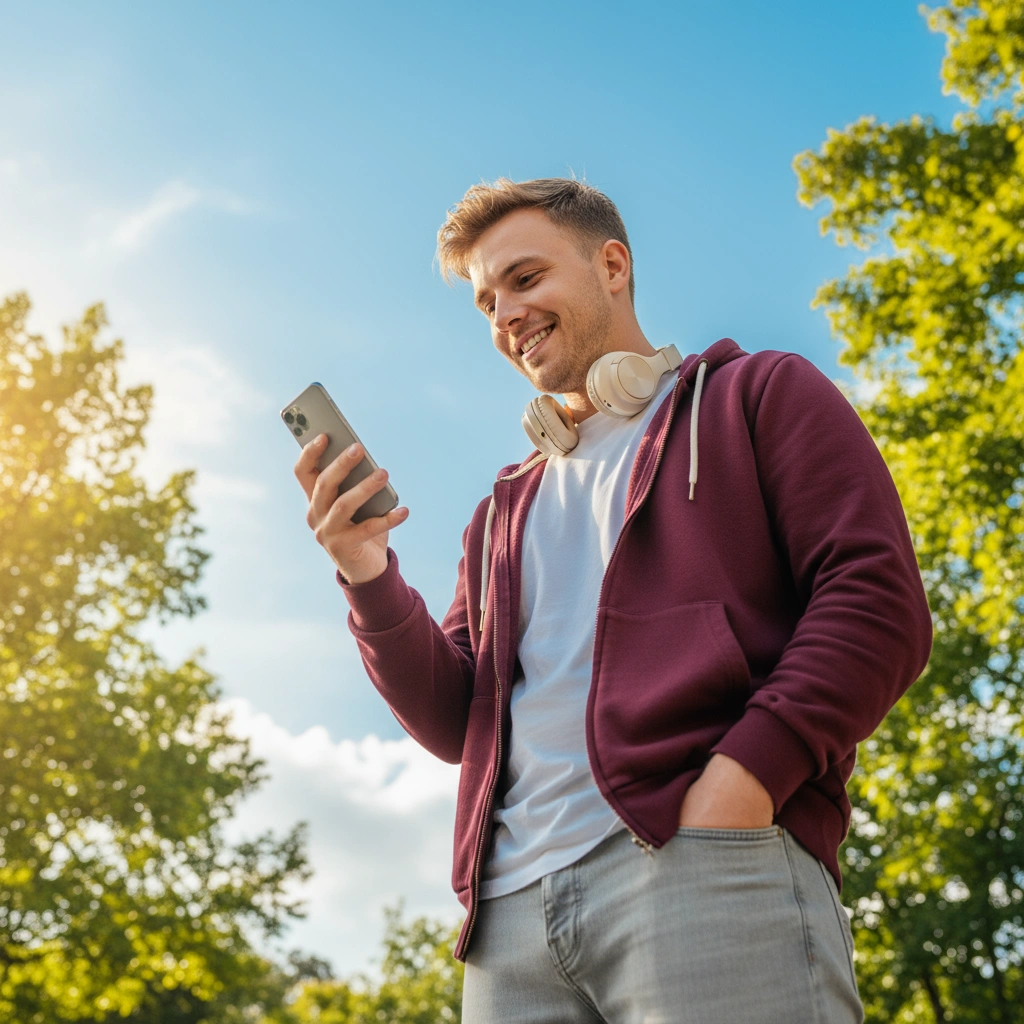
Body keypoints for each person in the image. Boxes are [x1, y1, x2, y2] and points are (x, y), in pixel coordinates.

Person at [293, 178, 932, 1023]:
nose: (505, 315)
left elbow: (876, 601)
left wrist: (741, 783)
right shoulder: (500, 513)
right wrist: (369, 574)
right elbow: (456, 720)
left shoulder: (758, 395)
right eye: (487, 302)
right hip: (509, 928)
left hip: (699, 860)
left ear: (613, 265)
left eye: (524, 279)